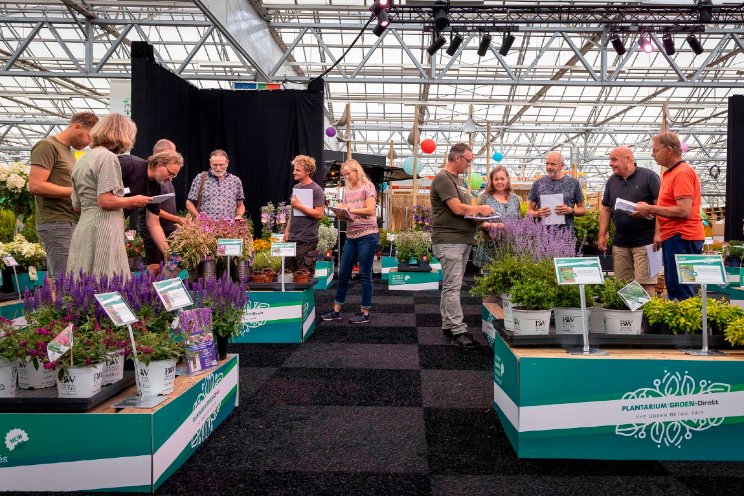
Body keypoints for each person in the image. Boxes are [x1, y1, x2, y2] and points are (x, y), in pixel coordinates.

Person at [67, 113, 151, 278]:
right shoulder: (108, 158)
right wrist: (134, 201)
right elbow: (105, 201)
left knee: (83, 280)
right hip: (104, 227)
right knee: (106, 279)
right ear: (122, 135)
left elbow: (76, 205)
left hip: (85, 226)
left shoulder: (82, 160)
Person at [430, 144, 494, 349]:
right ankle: (458, 331)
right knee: (453, 287)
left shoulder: (458, 181)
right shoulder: (443, 178)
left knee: (451, 286)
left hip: (461, 239)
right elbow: (457, 209)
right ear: (457, 158)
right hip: (450, 241)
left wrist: (484, 220)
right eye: (468, 160)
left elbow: (465, 213)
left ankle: (448, 326)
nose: (469, 165)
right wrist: (480, 208)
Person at [28, 112, 99, 278]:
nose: (89, 143)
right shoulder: (47, 146)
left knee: (68, 279)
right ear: (76, 127)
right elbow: (35, 185)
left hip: (70, 221)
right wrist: (78, 192)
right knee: (65, 281)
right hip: (56, 222)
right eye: (89, 137)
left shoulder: (69, 151)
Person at [635, 132, 705, 300]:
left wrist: (650, 209)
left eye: (655, 150)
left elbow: (684, 211)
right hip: (674, 236)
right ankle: (682, 322)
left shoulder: (682, 173)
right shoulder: (669, 173)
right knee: (674, 285)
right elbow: (667, 206)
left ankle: (687, 324)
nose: (652, 154)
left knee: (681, 287)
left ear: (669, 150)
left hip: (683, 237)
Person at [321, 159, 379, 324]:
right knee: (343, 273)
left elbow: (370, 210)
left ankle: (365, 312)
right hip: (352, 235)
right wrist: (340, 212)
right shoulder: (347, 191)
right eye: (345, 174)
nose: (347, 176)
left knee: (365, 274)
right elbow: (346, 212)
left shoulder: (368, 187)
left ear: (357, 171)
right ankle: (337, 310)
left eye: (349, 173)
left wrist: (349, 209)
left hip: (368, 234)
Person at [598, 146, 661, 294]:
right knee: (623, 284)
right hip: (620, 242)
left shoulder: (649, 177)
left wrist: (658, 233)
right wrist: (601, 235)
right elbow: (606, 209)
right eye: (610, 160)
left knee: (644, 284)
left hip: (645, 242)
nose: (610, 164)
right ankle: (629, 317)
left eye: (614, 160)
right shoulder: (612, 181)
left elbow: (660, 206)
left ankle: (646, 316)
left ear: (628, 159)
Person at [118, 148, 183, 261]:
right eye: (170, 174)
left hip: (116, 221)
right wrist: (132, 201)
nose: (170, 179)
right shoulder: (130, 164)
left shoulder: (156, 188)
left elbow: (154, 224)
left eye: (173, 176)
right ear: (159, 164)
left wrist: (168, 254)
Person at [143, 139, 186, 267]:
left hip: (170, 229)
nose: (175, 158)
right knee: (155, 266)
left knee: (172, 264)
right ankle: (149, 287)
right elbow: (153, 209)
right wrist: (177, 219)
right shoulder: (152, 177)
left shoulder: (166, 177)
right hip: (154, 230)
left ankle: (168, 285)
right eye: (172, 154)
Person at [473, 165, 522, 270]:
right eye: (496, 179)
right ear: (491, 180)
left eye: (502, 179)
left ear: (507, 179)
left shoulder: (514, 198)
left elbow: (518, 220)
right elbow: (477, 223)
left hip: (510, 246)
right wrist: (495, 225)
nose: (499, 182)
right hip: (490, 247)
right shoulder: (485, 198)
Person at [284, 155, 325, 273]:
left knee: (304, 277)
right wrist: (287, 230)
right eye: (294, 169)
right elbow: (293, 212)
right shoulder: (296, 187)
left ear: (308, 171)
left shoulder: (317, 190)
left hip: (306, 240)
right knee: (288, 275)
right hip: (292, 239)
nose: (294, 172)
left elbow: (319, 214)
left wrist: (299, 206)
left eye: (298, 170)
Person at [526, 151, 586, 230]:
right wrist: (537, 214)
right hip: (542, 237)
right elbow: (529, 211)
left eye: (552, 164)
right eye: (547, 163)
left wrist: (571, 210)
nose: (549, 167)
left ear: (562, 165)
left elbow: (583, 210)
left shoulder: (574, 183)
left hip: (566, 237)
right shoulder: (538, 184)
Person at [185, 150, 245, 220]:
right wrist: (199, 218)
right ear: (210, 162)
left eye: (221, 165)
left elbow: (240, 205)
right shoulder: (200, 178)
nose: (218, 168)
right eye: (215, 165)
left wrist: (239, 215)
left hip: (228, 228)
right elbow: (189, 203)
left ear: (227, 163)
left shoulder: (235, 181)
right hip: (204, 227)